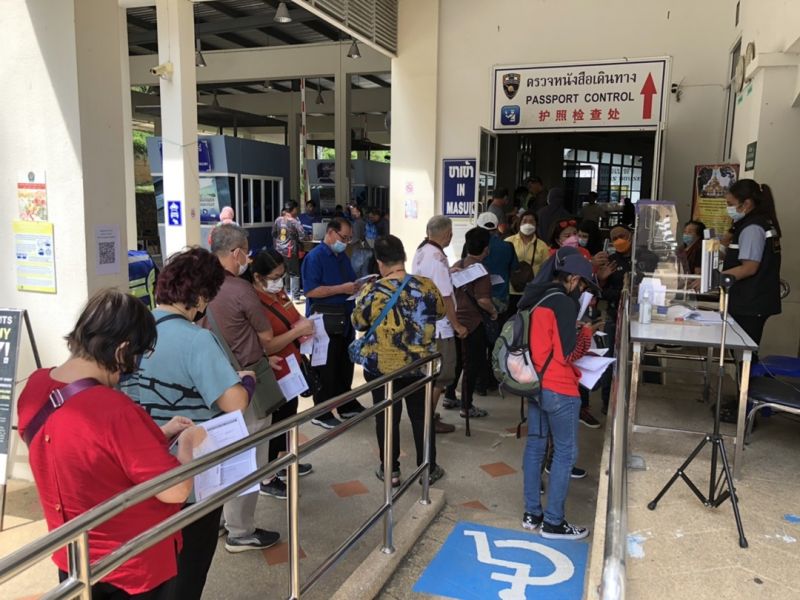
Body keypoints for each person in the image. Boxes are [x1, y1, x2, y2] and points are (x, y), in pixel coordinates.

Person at [17, 289, 206, 599]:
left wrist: (158, 433)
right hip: (132, 564)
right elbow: (176, 490)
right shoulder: (115, 410)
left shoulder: (35, 387)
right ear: (122, 351)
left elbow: (86, 451)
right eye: (138, 356)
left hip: (73, 557)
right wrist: (187, 443)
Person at [122, 247, 253, 599]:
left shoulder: (132, 330)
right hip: (188, 477)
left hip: (139, 471)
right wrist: (246, 381)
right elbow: (234, 402)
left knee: (150, 569)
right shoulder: (197, 339)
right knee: (188, 569)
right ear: (200, 296)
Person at [203, 224, 283, 553]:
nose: (247, 258)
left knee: (220, 455)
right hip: (244, 384)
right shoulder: (240, 289)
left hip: (210, 383)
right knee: (249, 457)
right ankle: (240, 530)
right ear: (236, 253)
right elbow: (266, 336)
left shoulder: (198, 284)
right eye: (246, 252)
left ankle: (220, 520)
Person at [517, 251, 600, 540]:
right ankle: (554, 522)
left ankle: (532, 514)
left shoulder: (538, 298)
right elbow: (569, 354)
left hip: (536, 384)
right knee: (566, 452)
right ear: (573, 279)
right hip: (560, 388)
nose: (583, 290)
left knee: (535, 446)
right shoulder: (564, 302)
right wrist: (587, 332)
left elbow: (547, 339)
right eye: (583, 284)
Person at [353, 235, 447, 486]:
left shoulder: (372, 291)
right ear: (403, 257)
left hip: (382, 368)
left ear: (379, 262)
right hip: (419, 366)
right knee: (421, 417)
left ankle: (390, 471)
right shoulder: (426, 286)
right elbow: (440, 312)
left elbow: (358, 323)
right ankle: (428, 469)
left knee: (386, 418)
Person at [249, 250, 316, 498]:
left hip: (292, 369)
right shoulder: (254, 303)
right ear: (258, 277)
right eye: (274, 277)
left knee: (289, 417)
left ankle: (284, 461)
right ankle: (267, 477)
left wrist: (305, 324)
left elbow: (293, 317)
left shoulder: (279, 293)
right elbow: (267, 346)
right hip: (273, 373)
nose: (279, 282)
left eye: (281, 276)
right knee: (274, 424)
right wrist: (297, 332)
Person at [302, 217, 367, 429]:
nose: (346, 242)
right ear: (330, 233)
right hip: (325, 321)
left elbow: (349, 282)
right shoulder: (315, 258)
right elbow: (311, 291)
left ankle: (346, 404)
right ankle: (321, 411)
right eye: (343, 238)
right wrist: (342, 289)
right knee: (326, 367)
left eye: (349, 239)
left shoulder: (342, 257)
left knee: (344, 365)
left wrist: (358, 286)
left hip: (345, 318)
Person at [411, 215, 468, 434]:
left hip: (425, 322)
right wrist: (457, 325)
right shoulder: (436, 258)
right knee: (442, 374)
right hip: (440, 325)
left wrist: (448, 272)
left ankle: (427, 415)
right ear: (448, 234)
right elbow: (445, 298)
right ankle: (427, 421)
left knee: (432, 374)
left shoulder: (423, 250)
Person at [722, 179, 782, 349]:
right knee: (743, 351)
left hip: (750, 301)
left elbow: (749, 268)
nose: (728, 209)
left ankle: (749, 369)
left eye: (730, 204)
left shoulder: (752, 228)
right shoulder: (759, 222)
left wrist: (714, 279)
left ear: (746, 203)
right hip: (754, 299)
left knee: (745, 354)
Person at [453, 227, 497, 420]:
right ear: (486, 249)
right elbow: (483, 300)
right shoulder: (481, 271)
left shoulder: (458, 264)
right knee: (472, 365)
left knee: (456, 363)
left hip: (455, 321)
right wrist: (493, 312)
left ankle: (449, 396)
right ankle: (466, 405)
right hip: (473, 323)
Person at [505, 211, 551, 315]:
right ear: (519, 223)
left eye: (531, 221)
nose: (528, 224)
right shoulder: (509, 241)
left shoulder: (542, 245)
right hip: (511, 289)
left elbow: (546, 269)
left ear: (536, 225)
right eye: (524, 221)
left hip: (532, 291)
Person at [272, 201, 307, 301]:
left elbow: (274, 233)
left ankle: (286, 293)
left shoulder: (278, 220)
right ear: (293, 209)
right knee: (294, 274)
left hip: (279, 250)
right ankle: (295, 296)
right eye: (296, 208)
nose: (297, 211)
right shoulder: (294, 222)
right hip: (290, 250)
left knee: (284, 272)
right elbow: (302, 235)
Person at [349, 204, 373, 279]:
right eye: (351, 211)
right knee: (365, 272)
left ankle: (357, 286)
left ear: (359, 213)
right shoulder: (365, 221)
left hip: (359, 250)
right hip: (368, 249)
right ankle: (365, 286)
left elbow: (356, 237)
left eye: (354, 211)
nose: (352, 213)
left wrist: (348, 242)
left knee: (354, 272)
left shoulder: (357, 223)